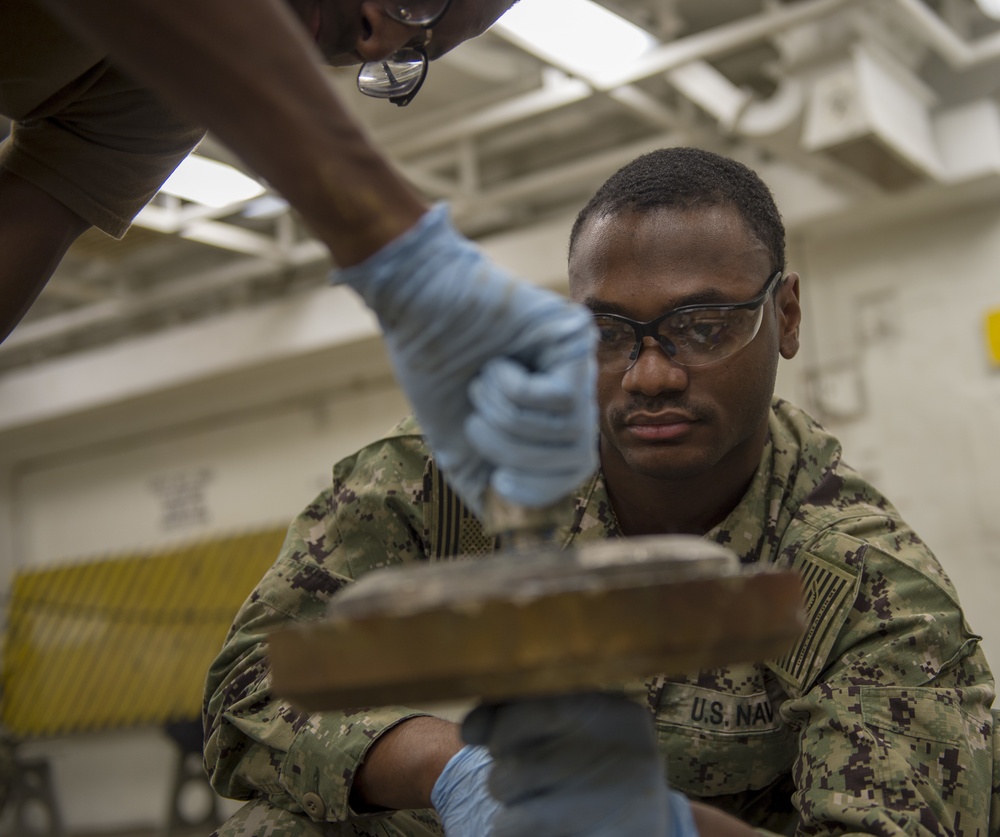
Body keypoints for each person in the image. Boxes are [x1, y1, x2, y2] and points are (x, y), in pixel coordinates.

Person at [203, 146, 996, 836]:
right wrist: (454, 768)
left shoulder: (859, 584)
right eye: (609, 334)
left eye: (704, 325)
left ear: (785, 315)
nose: (650, 374)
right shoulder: (472, 476)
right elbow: (252, 678)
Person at [1, 0, 598, 517]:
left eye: (419, 47)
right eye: (420, 1)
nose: (380, 39)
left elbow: (27, 220)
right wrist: (405, 257)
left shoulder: (167, 83)